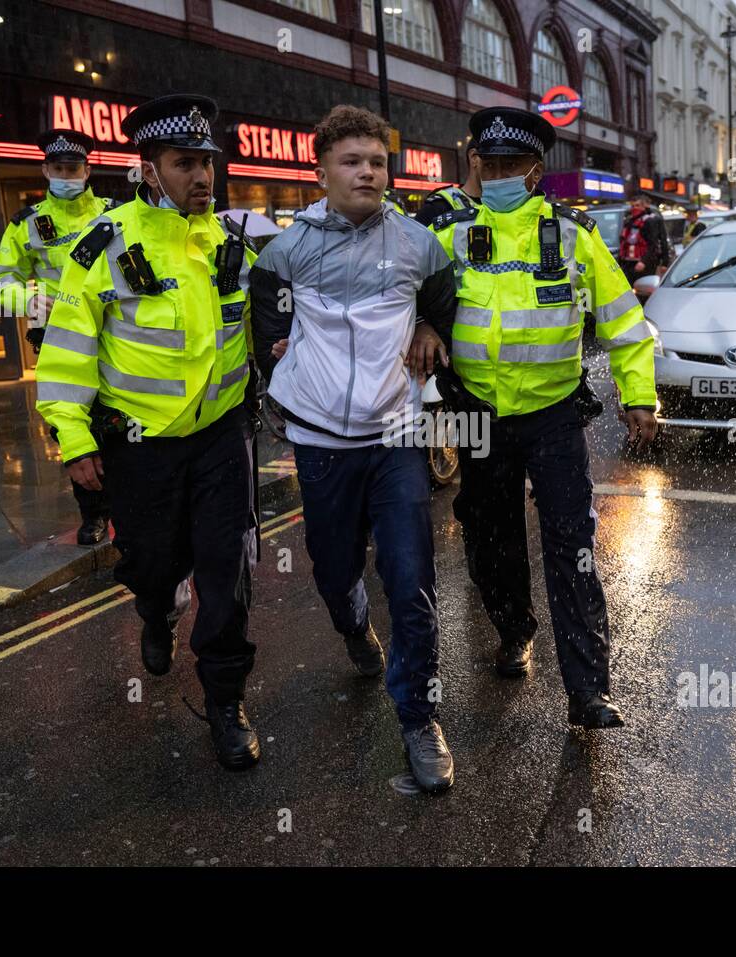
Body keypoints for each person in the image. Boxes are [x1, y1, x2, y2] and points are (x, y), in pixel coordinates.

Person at [34, 95, 262, 772]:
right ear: (148, 168)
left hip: (222, 439)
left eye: (207, 164)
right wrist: (73, 439)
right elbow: (69, 350)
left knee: (226, 568)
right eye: (184, 163)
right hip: (140, 448)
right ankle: (156, 608)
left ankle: (225, 698)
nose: (202, 177)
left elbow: (262, 328)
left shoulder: (229, 242)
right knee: (153, 562)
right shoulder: (103, 246)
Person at [416, 107, 660, 729]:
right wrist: (420, 324)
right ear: (476, 165)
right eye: (488, 163)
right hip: (475, 416)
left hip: (552, 416)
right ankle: (514, 628)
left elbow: (625, 322)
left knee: (572, 546)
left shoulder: (574, 236)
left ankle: (588, 688)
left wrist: (639, 396)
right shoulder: (446, 234)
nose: (498, 174)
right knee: (488, 540)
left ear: (535, 169)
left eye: (511, 165)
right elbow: (403, 298)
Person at [249, 105, 459, 794]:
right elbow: (264, 308)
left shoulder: (417, 243)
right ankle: (352, 624)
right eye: (352, 161)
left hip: (396, 433)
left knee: (411, 580)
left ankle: (419, 718)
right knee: (334, 568)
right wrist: (276, 357)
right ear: (321, 171)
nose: (368, 171)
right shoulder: (288, 248)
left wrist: (430, 324)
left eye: (376, 161)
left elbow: (443, 293)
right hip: (320, 442)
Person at [0, 128, 115, 545]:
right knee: (72, 427)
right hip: (58, 339)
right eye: (58, 168)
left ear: (87, 169)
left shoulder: (113, 214)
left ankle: (127, 504)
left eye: (73, 168)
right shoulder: (26, 224)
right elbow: (2, 279)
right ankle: (93, 514)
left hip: (114, 336)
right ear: (46, 170)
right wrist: (27, 299)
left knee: (118, 422)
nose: (66, 175)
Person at [412, 142, 482, 227]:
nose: (500, 175)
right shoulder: (437, 208)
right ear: (474, 158)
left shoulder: (499, 207)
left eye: (503, 164)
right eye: (490, 164)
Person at [618, 190, 672, 284]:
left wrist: (663, 262)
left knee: (643, 290)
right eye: (633, 206)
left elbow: (655, 243)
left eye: (637, 206)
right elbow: (624, 242)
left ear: (644, 206)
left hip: (644, 262)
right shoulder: (629, 221)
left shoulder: (651, 221)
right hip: (628, 262)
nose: (634, 208)